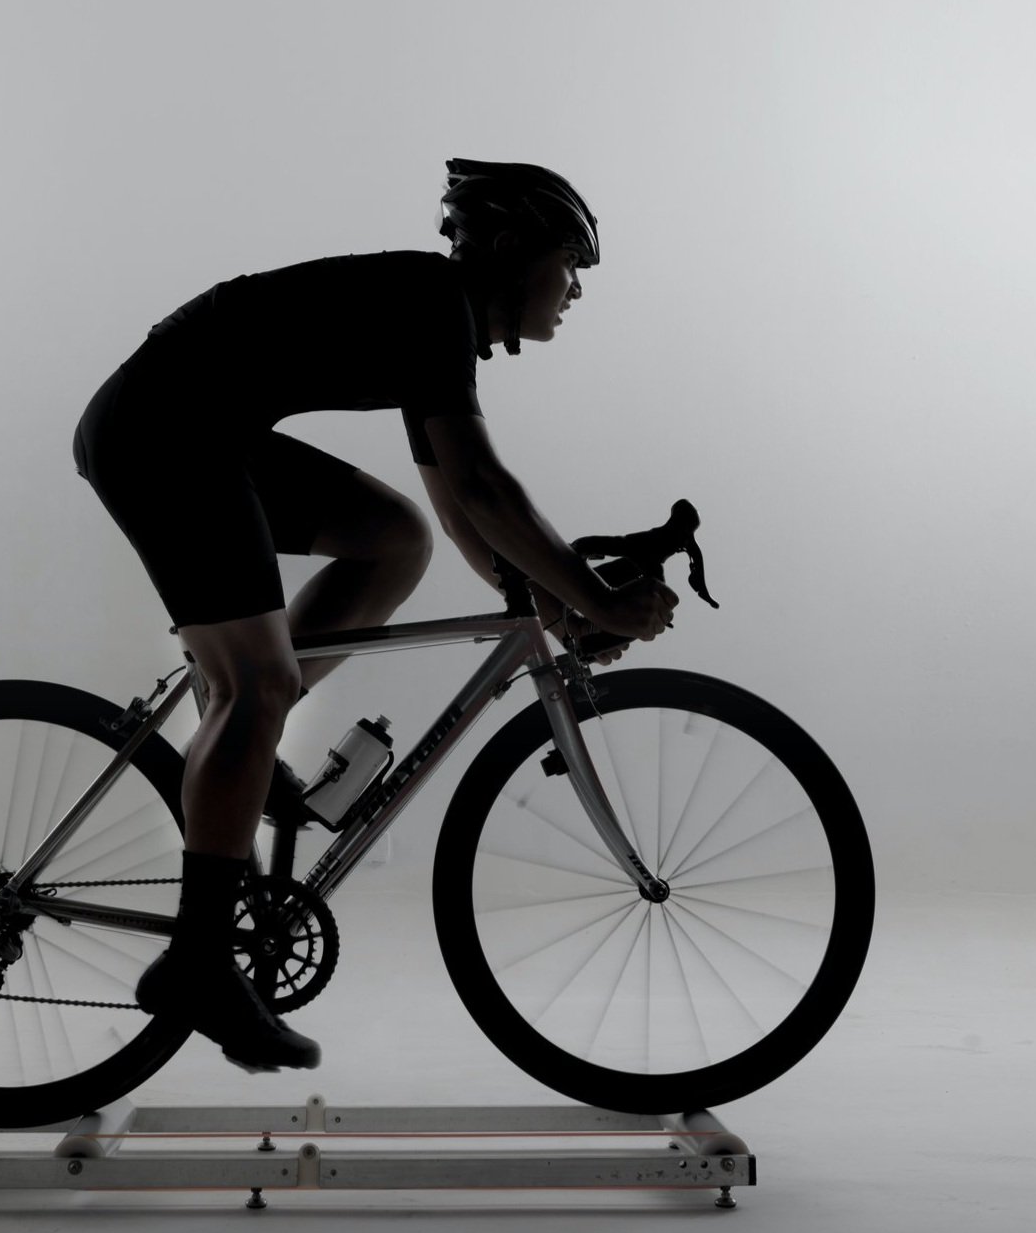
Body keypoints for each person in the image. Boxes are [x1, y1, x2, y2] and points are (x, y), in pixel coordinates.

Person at [70, 157, 679, 1073]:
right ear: (515, 251)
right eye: (571, 262)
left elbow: (459, 513)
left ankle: (239, 716)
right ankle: (197, 959)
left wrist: (553, 610)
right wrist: (595, 601)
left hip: (194, 429)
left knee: (393, 539)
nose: (578, 289)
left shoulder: (432, 318)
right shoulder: (433, 307)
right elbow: (484, 484)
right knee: (259, 683)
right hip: (165, 435)